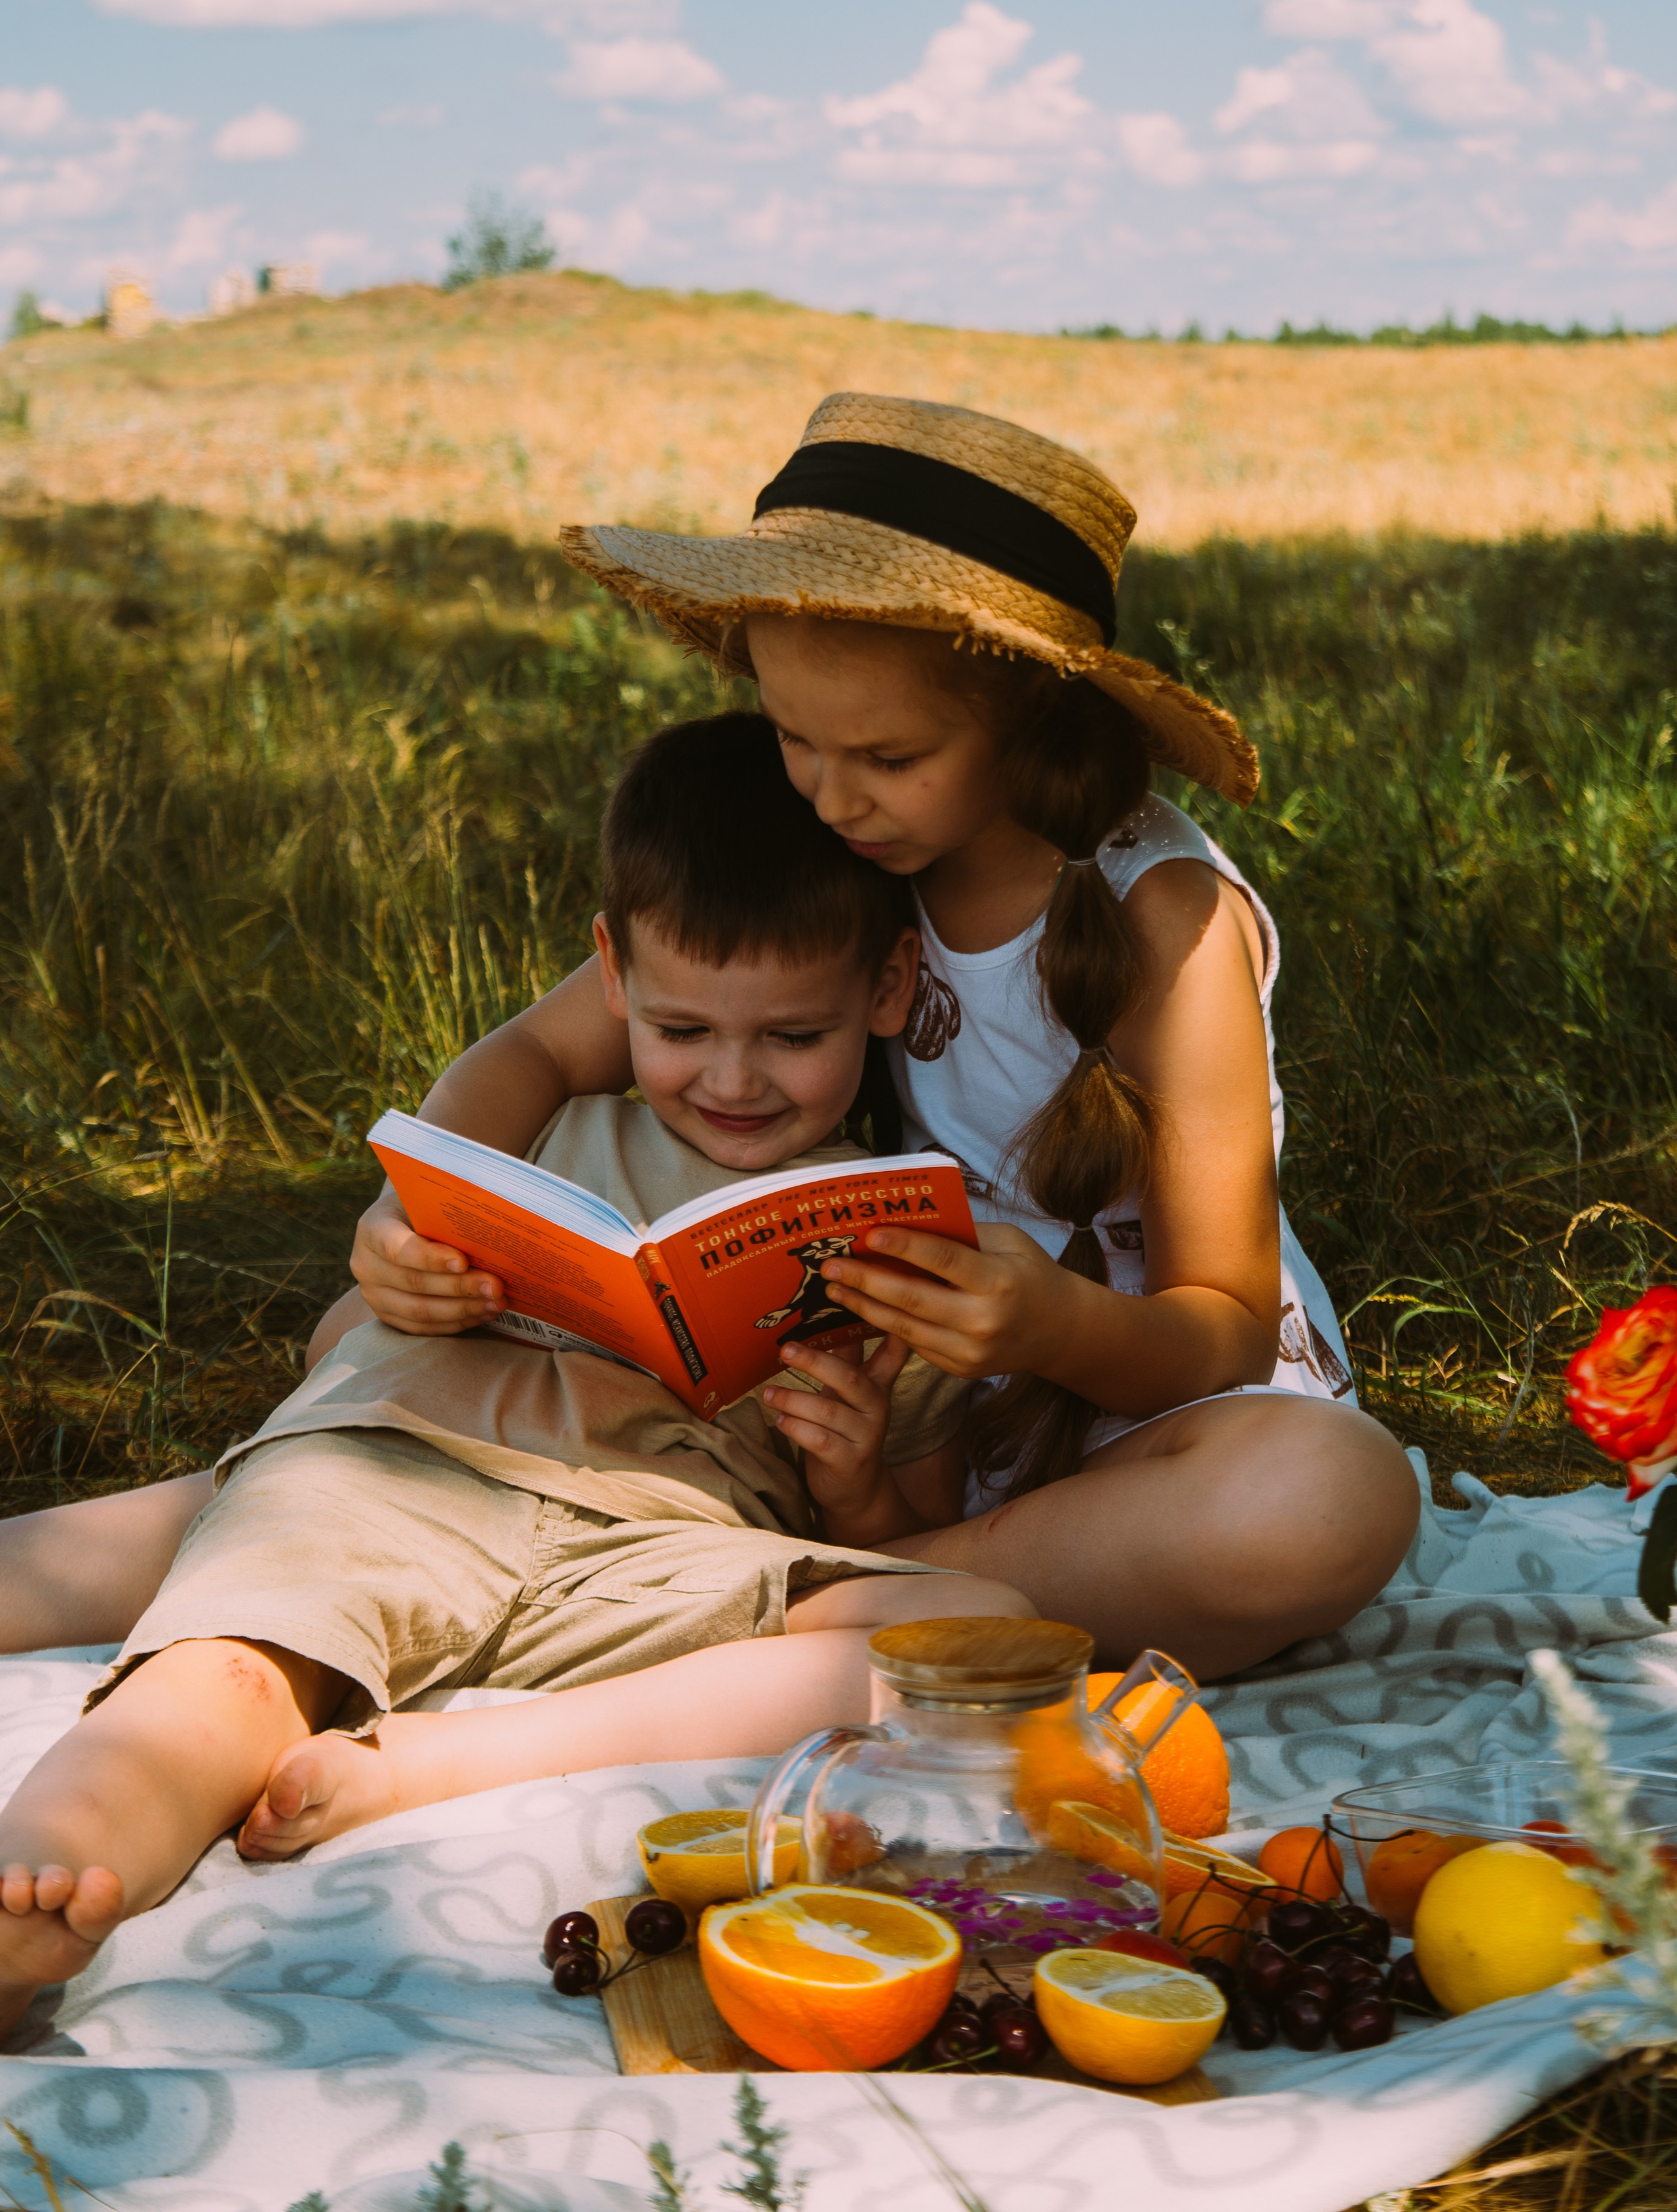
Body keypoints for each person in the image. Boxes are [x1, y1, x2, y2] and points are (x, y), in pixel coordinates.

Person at [0, 392, 1418, 1687]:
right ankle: (670, 1599)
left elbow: (1218, 1334)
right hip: (855, 1418)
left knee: (1310, 1500)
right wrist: (413, 1208)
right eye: (794, 737)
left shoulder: (1163, 922)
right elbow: (540, 1051)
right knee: (389, 1392)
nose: (829, 794)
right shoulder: (834, 840)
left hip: (1125, 1431)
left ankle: (749, 1613)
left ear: (1028, 714)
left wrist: (1048, 1323)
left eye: (884, 758)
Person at [0, 713, 1029, 2036]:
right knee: (232, 1671)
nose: (727, 1077)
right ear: (611, 978)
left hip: (657, 1552)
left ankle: (442, 1758)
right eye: (678, 1027)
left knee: (968, 1624)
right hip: (412, 1475)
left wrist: (851, 1470)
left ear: (887, 991)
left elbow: (905, 1526)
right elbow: (398, 1263)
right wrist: (412, 1257)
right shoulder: (545, 1129)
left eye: (789, 1035)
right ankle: (45, 1881)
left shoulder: (901, 1240)